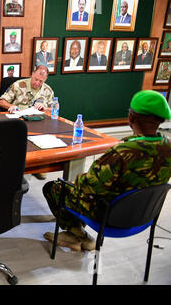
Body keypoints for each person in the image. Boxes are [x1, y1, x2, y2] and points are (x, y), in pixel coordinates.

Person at [42, 90, 171, 251]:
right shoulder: (168, 148)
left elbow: (87, 185)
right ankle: (77, 236)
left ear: (131, 117)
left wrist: (80, 178)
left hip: (109, 215)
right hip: (144, 216)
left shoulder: (123, 152)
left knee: (55, 187)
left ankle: (77, 234)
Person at [0, 65, 54, 181]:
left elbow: (54, 110)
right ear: (32, 74)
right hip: (18, 121)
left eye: (41, 81)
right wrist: (11, 106)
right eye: (36, 79)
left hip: (38, 123)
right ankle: (15, 167)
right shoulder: (19, 85)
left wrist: (44, 108)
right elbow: (1, 102)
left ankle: (40, 166)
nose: (37, 83)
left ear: (46, 79)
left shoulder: (48, 90)